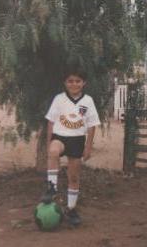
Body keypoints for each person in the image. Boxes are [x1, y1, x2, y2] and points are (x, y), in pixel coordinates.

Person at [42, 68, 101, 226]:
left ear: (84, 83)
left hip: (77, 140)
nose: (74, 84)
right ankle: (51, 188)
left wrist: (88, 147)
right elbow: (51, 122)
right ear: (65, 83)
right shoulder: (59, 99)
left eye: (77, 81)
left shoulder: (87, 101)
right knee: (54, 151)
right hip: (60, 137)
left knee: (73, 177)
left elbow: (92, 125)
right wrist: (48, 143)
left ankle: (71, 209)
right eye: (70, 81)